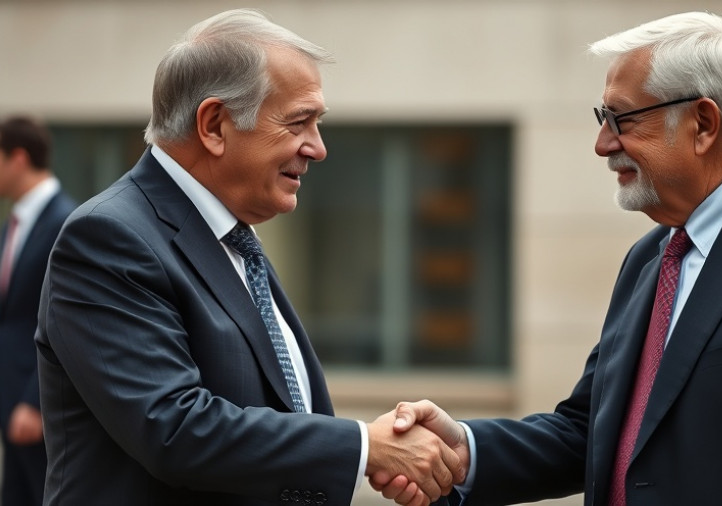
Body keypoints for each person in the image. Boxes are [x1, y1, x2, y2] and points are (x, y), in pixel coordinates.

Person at [375, 11, 722, 506]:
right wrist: (463, 451)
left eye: (622, 119)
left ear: (703, 124)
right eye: (604, 118)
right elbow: (591, 431)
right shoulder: (652, 257)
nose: (603, 144)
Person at [34, 9, 461, 506]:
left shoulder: (233, 239)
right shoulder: (108, 238)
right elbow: (173, 427)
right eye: (299, 122)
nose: (318, 149)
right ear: (215, 124)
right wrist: (366, 448)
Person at [0, 116, 76, 506]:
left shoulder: (67, 223)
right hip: (9, 403)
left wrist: (35, 403)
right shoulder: (12, 225)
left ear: (17, 158)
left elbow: (65, 320)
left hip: (38, 408)